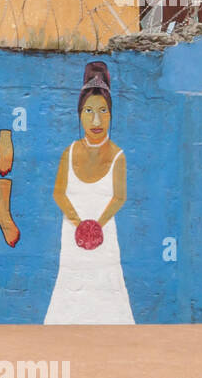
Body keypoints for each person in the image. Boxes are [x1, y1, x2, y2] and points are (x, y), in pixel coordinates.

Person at [44, 61, 134, 324]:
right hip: (73, 239)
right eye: (89, 111)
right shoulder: (69, 152)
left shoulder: (118, 156)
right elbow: (59, 193)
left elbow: (119, 197)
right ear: (79, 115)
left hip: (105, 239)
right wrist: (79, 224)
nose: (96, 120)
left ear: (111, 115)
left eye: (103, 111)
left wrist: (97, 226)